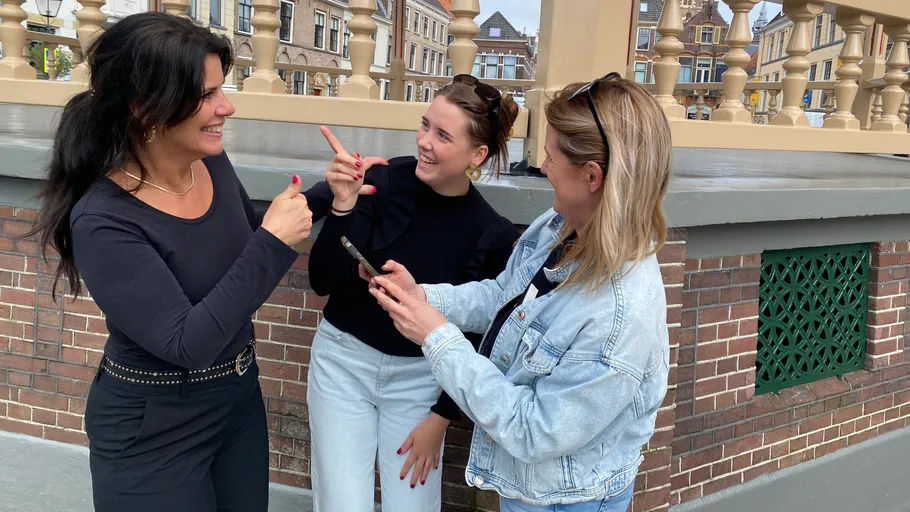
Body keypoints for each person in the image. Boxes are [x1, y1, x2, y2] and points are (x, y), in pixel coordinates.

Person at [25, 12, 373, 512]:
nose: (226, 106)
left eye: (221, 89)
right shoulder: (103, 220)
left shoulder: (208, 160)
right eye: (207, 95)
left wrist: (326, 193)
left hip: (236, 403)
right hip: (153, 426)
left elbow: (238, 241)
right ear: (145, 108)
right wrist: (274, 243)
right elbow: (187, 343)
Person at [368, 73, 672, 512]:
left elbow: (534, 429)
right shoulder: (558, 225)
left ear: (592, 175)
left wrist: (436, 337)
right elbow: (504, 297)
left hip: (568, 502)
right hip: (528, 489)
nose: (542, 167)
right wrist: (426, 297)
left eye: (550, 156)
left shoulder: (619, 314)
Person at [305, 74, 521, 511]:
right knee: (342, 503)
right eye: (425, 125)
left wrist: (441, 418)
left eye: (443, 135)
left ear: (477, 154)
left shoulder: (489, 232)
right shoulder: (384, 180)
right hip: (343, 364)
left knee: (412, 505)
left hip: (421, 382)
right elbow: (322, 280)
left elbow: (480, 337)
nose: (424, 141)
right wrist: (342, 204)